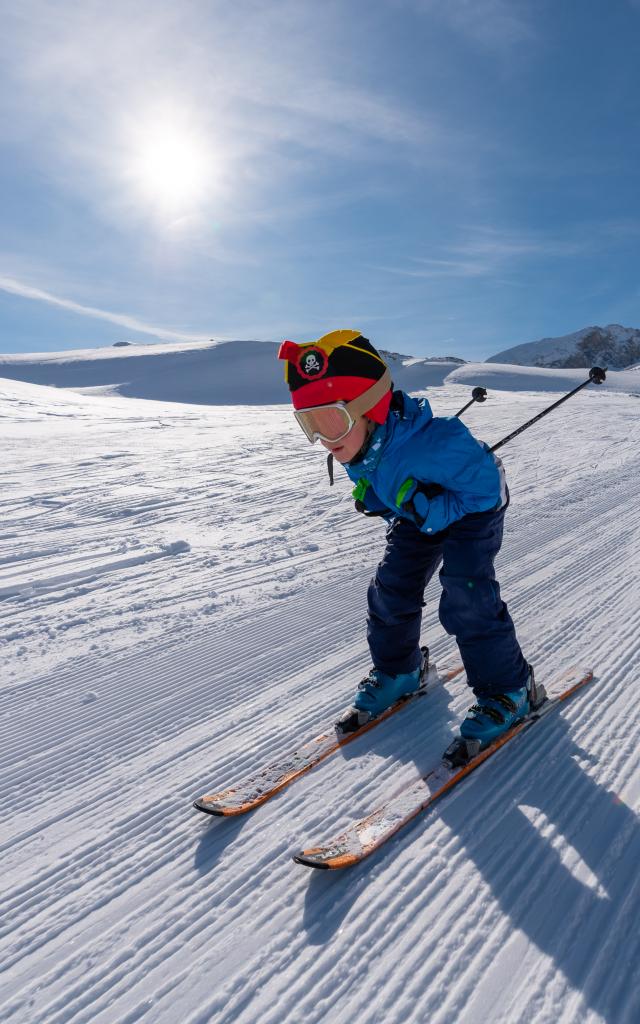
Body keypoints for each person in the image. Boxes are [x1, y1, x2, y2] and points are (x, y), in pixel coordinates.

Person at [278, 329, 532, 750]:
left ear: (370, 409)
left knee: (465, 592)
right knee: (391, 587)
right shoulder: (355, 444)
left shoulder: (439, 442)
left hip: (471, 512)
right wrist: (381, 498)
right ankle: (400, 671)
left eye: (332, 420)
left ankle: (509, 689)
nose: (325, 437)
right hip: (419, 513)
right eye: (312, 423)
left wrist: (435, 510)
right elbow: (381, 476)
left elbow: (488, 489)